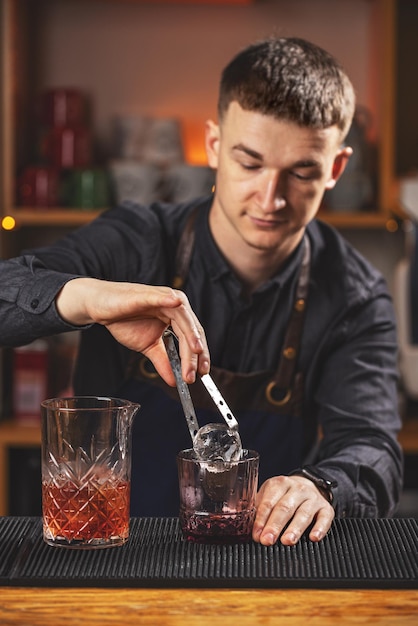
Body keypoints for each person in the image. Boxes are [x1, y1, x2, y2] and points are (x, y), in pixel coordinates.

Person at [0, 37, 403, 547]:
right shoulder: (136, 241)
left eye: (302, 172)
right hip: (112, 554)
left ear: (336, 169)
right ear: (214, 145)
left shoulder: (354, 296)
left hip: (262, 567)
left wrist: (322, 485)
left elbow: (373, 449)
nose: (271, 198)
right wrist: (85, 299)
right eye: (249, 163)